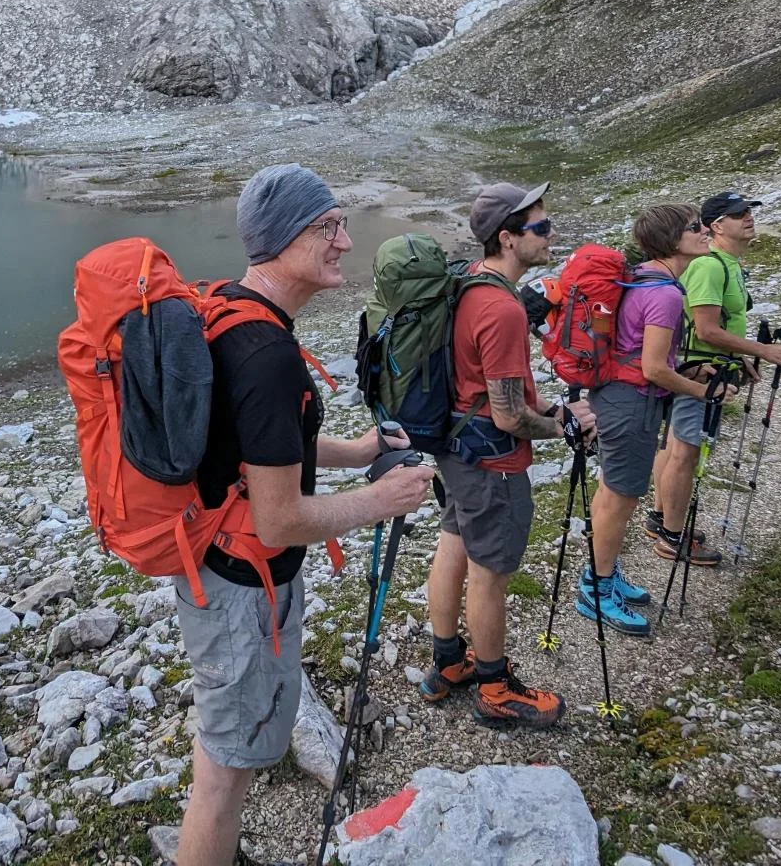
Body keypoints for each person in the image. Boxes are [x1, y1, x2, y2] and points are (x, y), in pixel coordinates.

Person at [176, 164, 435, 866]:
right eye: (328, 227)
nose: (345, 242)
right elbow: (278, 520)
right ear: (285, 237)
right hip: (242, 586)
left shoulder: (233, 311)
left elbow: (260, 450)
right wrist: (382, 499)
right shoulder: (266, 354)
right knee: (226, 773)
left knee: (226, 754)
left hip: (220, 572)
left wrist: (354, 452)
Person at [419, 183, 596, 728]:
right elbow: (508, 416)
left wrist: (541, 404)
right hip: (493, 462)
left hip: (456, 449)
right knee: (491, 573)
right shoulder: (503, 308)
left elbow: (504, 382)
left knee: (453, 544)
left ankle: (448, 662)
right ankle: (495, 686)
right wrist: (562, 422)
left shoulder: (469, 285)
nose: (550, 235)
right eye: (540, 228)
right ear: (508, 238)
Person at [578, 203, 730, 636]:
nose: (704, 231)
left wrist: (689, 369)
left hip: (616, 397)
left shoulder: (643, 277)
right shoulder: (665, 293)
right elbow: (652, 369)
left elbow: (647, 354)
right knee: (620, 495)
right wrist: (703, 390)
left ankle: (603, 572)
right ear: (671, 241)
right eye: (694, 227)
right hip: (632, 403)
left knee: (615, 491)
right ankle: (596, 587)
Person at [646, 192, 781, 563]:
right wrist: (762, 351)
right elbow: (707, 329)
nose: (748, 218)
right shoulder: (712, 266)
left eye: (749, 212)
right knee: (685, 452)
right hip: (700, 371)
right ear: (716, 226)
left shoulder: (722, 264)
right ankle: (671, 537)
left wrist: (739, 356)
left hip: (703, 364)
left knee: (674, 447)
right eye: (738, 214)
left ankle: (662, 518)